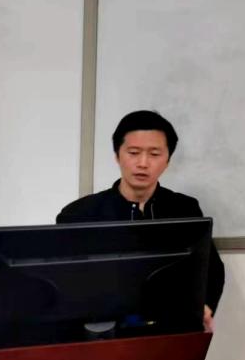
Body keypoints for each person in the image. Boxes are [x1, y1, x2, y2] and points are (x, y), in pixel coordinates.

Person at [56, 110, 225, 331]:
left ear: (167, 160)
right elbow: (65, 284)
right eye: (134, 153)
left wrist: (204, 306)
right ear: (117, 156)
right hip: (103, 334)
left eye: (154, 154)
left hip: (169, 330)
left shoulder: (184, 209)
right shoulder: (79, 214)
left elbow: (211, 269)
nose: (143, 163)